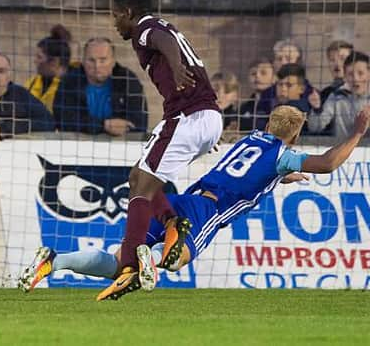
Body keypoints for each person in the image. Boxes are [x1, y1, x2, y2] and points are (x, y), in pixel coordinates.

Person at [19, 105, 370, 299]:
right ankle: (152, 258)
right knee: (176, 259)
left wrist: (282, 175)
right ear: (293, 136)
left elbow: (251, 170)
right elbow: (326, 163)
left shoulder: (252, 140)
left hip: (182, 199)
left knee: (117, 263)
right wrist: (356, 132)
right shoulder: (283, 154)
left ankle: (55, 260)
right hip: (207, 213)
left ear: (268, 123)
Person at [96, 0, 223, 301]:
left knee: (140, 188)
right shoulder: (165, 26)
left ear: (128, 12)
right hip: (205, 119)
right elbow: (165, 40)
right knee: (138, 177)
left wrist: (176, 66)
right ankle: (172, 224)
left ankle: (128, 266)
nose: (115, 24)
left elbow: (159, 41)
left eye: (116, 16)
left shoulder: (145, 28)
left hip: (186, 117)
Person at [53, 37, 147, 135]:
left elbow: (139, 123)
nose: (97, 66)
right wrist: (104, 125)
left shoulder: (128, 80)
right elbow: (64, 120)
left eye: (103, 60)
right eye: (91, 60)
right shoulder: (69, 81)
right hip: (79, 144)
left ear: (113, 61)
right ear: (83, 61)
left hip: (120, 144)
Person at [0, 51, 54, 138]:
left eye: (1, 71)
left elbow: (48, 122)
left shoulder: (21, 95)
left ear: (9, 76)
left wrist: (7, 128)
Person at [308, 51, 370, 137]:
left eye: (360, 73)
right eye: (350, 74)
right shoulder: (336, 97)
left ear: (369, 74)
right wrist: (316, 109)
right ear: (345, 76)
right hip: (343, 147)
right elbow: (315, 128)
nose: (355, 78)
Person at [24, 26, 71, 113]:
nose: (35, 61)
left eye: (39, 57)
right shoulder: (32, 83)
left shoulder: (70, 88)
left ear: (54, 62)